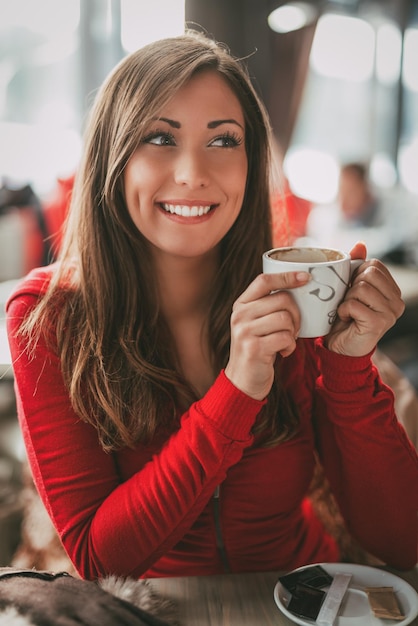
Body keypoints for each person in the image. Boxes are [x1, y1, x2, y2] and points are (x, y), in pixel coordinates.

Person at [6, 31, 417, 581]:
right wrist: (238, 389)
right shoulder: (46, 315)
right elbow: (100, 559)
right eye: (159, 137)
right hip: (157, 612)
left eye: (224, 141)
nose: (193, 173)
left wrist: (348, 364)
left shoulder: (297, 296)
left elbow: (403, 541)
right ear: (112, 158)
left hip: (303, 599)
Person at [303, 162, 417, 263]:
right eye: (342, 192)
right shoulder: (334, 213)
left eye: (351, 192)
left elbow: (390, 240)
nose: (344, 201)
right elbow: (325, 237)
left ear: (366, 189)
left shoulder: (392, 208)